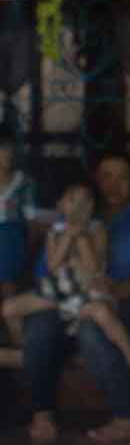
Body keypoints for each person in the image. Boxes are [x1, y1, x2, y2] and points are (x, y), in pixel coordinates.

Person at [20, 151, 130, 443]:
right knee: (40, 325)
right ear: (94, 181)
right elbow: (46, 272)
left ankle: (126, 418)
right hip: (76, 302)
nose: (114, 185)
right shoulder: (74, 220)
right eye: (107, 177)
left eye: (123, 177)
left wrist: (110, 294)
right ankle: (42, 415)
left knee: (93, 329)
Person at [3, 179, 130, 386]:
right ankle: (27, 355)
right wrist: (68, 235)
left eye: (84, 201)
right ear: (60, 205)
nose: (78, 206)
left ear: (92, 206)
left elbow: (94, 268)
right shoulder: (55, 231)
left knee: (103, 314)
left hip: (88, 289)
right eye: (72, 200)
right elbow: (52, 266)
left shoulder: (97, 229)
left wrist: (80, 235)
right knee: (8, 309)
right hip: (59, 289)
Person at [0, 132, 35, 315]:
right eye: (1, 149)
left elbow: (31, 221)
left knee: (5, 235)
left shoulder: (23, 182)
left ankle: (18, 339)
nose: (6, 154)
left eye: (8, 149)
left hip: (11, 243)